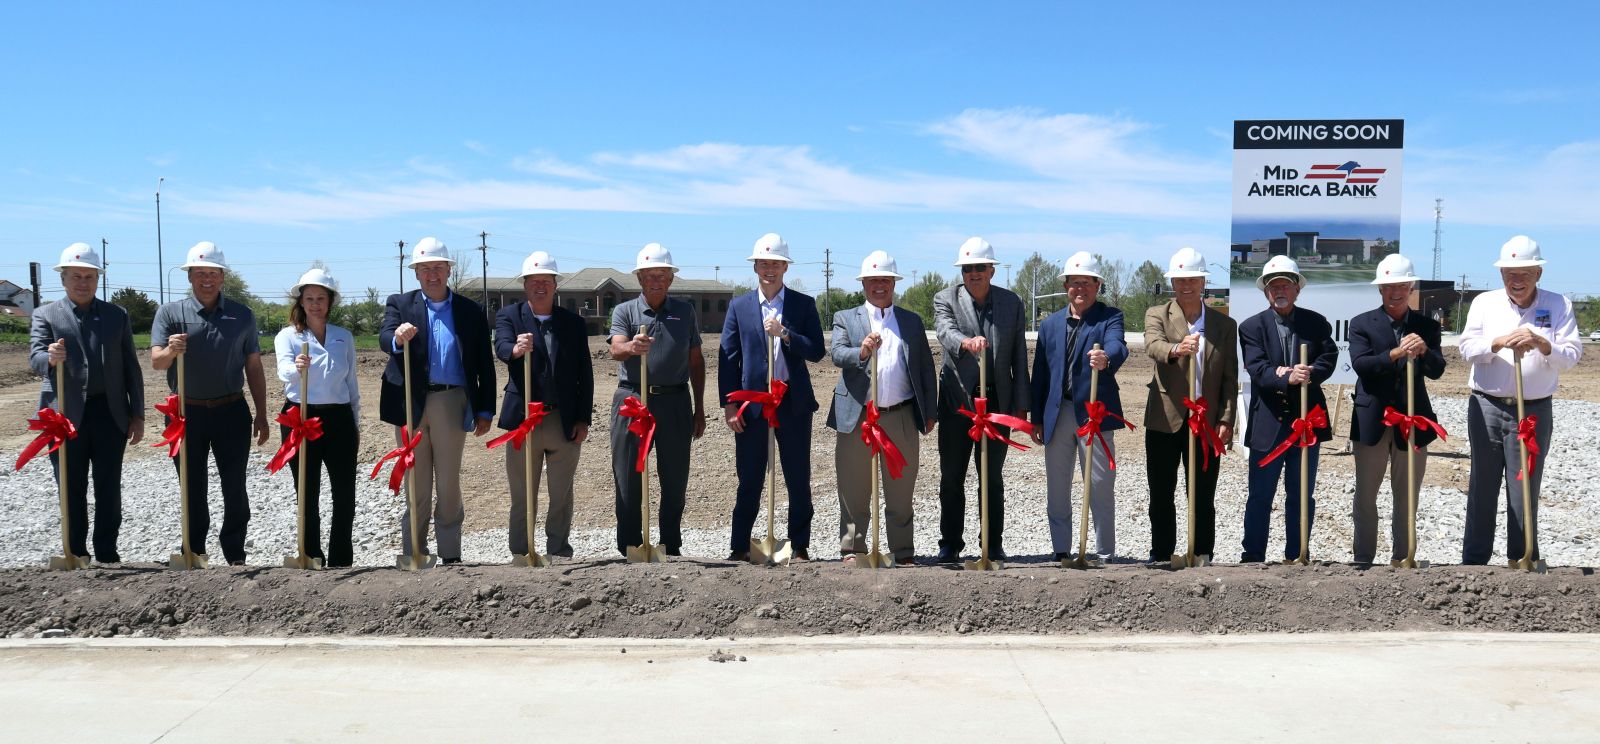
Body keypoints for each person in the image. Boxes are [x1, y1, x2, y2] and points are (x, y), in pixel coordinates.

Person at [1457, 236, 1582, 565]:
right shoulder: (1485, 303)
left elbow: (1571, 356)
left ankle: (1523, 561)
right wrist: (1495, 343)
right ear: (1501, 275)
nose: (1516, 280)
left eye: (1524, 273)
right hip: (1487, 406)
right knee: (1482, 486)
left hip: (1533, 411)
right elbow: (1467, 348)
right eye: (1510, 273)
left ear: (1538, 273)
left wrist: (1542, 344)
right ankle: (1473, 563)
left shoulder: (1558, 305)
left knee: (1524, 487)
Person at [150, 242, 271, 566]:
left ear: (222, 277)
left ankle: (235, 554)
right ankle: (194, 552)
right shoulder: (170, 314)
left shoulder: (241, 315)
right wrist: (172, 350)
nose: (206, 279)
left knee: (235, 486)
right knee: (191, 487)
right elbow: (157, 362)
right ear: (189, 276)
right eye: (200, 273)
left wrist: (261, 413)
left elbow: (254, 367)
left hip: (231, 411)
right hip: (185, 415)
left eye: (213, 273)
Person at [379, 237, 496, 565]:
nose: (432, 274)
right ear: (416, 273)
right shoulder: (400, 304)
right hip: (409, 402)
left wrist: (485, 408)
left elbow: (484, 364)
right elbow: (384, 337)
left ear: (448, 270)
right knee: (415, 483)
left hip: (450, 401)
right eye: (425, 268)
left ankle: (450, 555)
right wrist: (397, 338)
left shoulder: (470, 311)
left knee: (448, 482)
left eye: (438, 268)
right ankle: (414, 553)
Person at [28, 243, 143, 564]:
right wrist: (48, 357)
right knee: (70, 486)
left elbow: (131, 367)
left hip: (110, 413)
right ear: (63, 279)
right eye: (76, 276)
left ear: (98, 280)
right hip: (63, 416)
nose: (83, 282)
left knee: (108, 485)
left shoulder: (116, 315)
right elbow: (35, 358)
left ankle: (107, 552)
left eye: (89, 277)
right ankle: (75, 551)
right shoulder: (45, 314)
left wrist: (137, 414)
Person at [719, 234, 825, 561]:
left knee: (797, 476)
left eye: (775, 263)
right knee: (749, 477)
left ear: (785, 267)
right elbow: (728, 358)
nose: (769, 269)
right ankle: (739, 546)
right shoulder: (739, 307)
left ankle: (799, 546)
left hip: (792, 404)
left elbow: (818, 351)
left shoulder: (803, 305)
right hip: (752, 405)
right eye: (763, 263)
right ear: (755, 266)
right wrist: (730, 404)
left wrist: (786, 335)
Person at [827, 251, 937, 566]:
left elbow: (926, 369)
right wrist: (861, 352)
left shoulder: (911, 322)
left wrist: (930, 411)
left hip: (899, 416)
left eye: (885, 280)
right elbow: (836, 353)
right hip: (858, 417)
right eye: (873, 280)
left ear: (893, 284)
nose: (879, 286)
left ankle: (902, 553)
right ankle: (854, 549)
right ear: (863, 283)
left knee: (901, 489)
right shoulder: (846, 318)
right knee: (853, 487)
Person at [932, 237, 1029, 563]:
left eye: (979, 268)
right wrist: (966, 343)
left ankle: (992, 543)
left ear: (991, 270)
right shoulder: (945, 298)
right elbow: (945, 332)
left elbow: (1019, 356)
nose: (973, 273)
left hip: (997, 404)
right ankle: (950, 544)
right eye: (967, 268)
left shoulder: (1012, 303)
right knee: (952, 476)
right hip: (957, 403)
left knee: (991, 477)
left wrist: (1021, 404)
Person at [1238, 255, 1338, 563]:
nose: (1279, 290)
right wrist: (1285, 375)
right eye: (1273, 286)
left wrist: (1311, 374)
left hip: (1306, 422)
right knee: (1260, 496)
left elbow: (1328, 357)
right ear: (1265, 292)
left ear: (1297, 289)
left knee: (1301, 494)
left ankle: (1298, 555)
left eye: (1286, 284)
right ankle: (1253, 556)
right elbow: (1257, 368)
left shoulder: (1316, 323)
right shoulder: (1251, 327)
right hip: (1268, 425)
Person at [608, 243, 707, 556]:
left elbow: (695, 360)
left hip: (675, 401)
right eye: (649, 275)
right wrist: (632, 348)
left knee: (675, 477)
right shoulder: (625, 311)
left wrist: (700, 408)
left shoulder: (684, 311)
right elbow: (615, 349)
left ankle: (669, 545)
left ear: (671, 279)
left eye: (662, 275)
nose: (655, 280)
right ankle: (631, 545)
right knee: (628, 476)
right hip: (633, 400)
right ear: (639, 278)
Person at [494, 251, 593, 560]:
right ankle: (522, 552)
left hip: (562, 420)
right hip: (524, 420)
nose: (540, 287)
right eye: (534, 281)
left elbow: (584, 374)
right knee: (522, 494)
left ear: (555, 285)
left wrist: (582, 419)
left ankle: (558, 551)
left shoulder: (573, 324)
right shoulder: (509, 316)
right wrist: (515, 349)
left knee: (561, 494)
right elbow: (501, 347)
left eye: (546, 281)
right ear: (525, 286)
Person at [1031, 252, 1130, 562]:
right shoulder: (1049, 325)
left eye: (1087, 283)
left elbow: (1118, 344)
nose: (1080, 289)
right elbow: (1041, 376)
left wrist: (1107, 358)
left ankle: (1103, 551)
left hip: (1093, 414)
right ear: (1066, 286)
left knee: (1100, 483)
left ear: (1097, 285)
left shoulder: (1109, 317)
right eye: (1075, 283)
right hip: (1057, 415)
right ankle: (1061, 549)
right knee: (1058, 485)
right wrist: (1037, 419)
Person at [1347, 253, 1445, 566]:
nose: (1396, 291)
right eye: (1389, 286)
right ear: (1380, 290)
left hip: (1413, 420)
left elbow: (1437, 370)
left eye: (1402, 284)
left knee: (1406, 495)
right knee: (1365, 495)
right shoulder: (1362, 323)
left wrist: (1424, 350)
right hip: (1372, 421)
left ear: (1412, 286)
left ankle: (1404, 556)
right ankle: (1363, 558)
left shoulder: (1426, 327)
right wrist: (1395, 353)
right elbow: (1362, 365)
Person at [1142, 247, 1236, 564]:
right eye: (1180, 279)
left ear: (1202, 282)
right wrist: (1176, 348)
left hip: (1206, 422)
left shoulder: (1224, 326)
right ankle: (1161, 553)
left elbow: (1228, 378)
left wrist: (1226, 419)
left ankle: (1202, 552)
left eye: (1192, 279)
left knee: (1201, 494)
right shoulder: (1158, 314)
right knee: (1161, 492)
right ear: (1173, 282)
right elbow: (1153, 346)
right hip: (1164, 419)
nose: (1186, 285)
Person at [274, 267, 361, 567]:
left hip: (338, 419)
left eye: (320, 298)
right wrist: (296, 368)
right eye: (309, 298)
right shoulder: (288, 337)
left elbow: (351, 384)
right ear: (300, 301)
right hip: (301, 416)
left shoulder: (343, 337)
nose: (314, 304)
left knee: (344, 492)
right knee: (307, 492)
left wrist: (355, 421)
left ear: (330, 301)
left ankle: (341, 557)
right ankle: (310, 554)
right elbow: (282, 372)